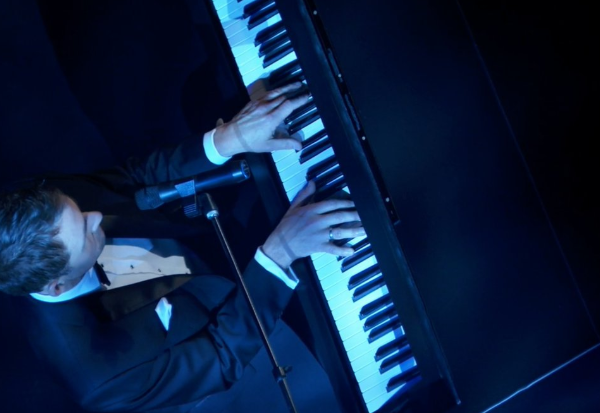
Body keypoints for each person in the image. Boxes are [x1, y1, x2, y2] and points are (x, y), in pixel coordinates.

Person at [0, 82, 363, 413]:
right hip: (231, 335)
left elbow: (132, 181)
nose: (95, 216)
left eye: (79, 211)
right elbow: (223, 355)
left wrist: (228, 139)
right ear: (57, 286)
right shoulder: (99, 377)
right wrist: (280, 254)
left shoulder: (36, 204)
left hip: (201, 240)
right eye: (85, 232)